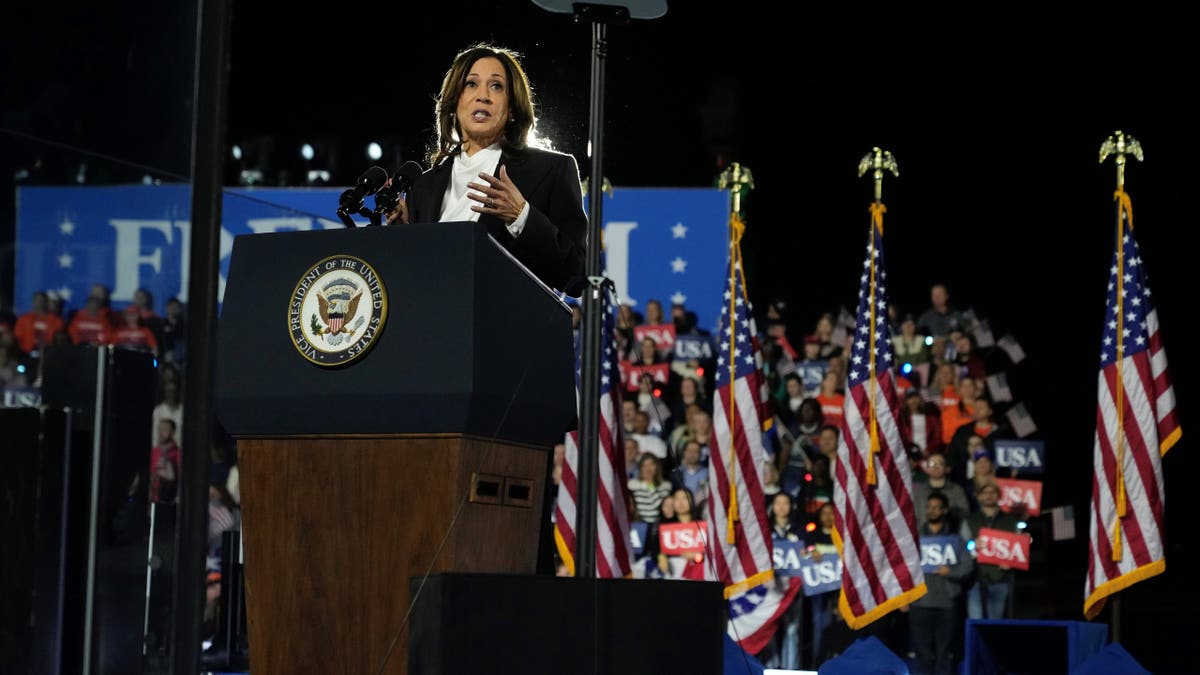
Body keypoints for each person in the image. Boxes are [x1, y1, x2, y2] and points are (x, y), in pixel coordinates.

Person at [389, 43, 587, 293]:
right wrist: (405, 238)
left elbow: (577, 276)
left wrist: (521, 217)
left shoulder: (553, 169)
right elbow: (418, 282)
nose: (483, 95)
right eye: (471, 84)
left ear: (512, 108)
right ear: (454, 102)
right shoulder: (424, 185)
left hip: (508, 328)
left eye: (496, 86)